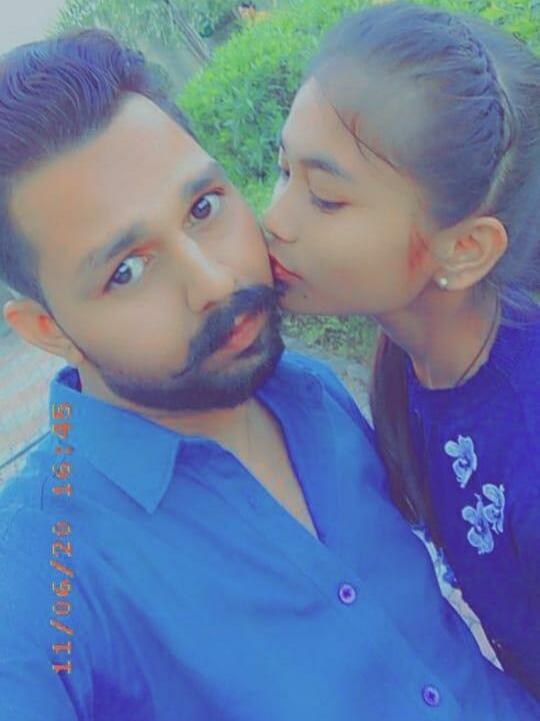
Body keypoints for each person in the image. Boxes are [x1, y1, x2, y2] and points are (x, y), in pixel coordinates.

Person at [0, 30, 538, 721]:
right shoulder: (45, 568)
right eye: (126, 271)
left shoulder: (312, 392)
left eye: (203, 208)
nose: (215, 281)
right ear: (47, 329)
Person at [263, 1, 540, 700]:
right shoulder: (410, 356)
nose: (274, 219)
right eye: (283, 169)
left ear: (465, 248)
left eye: (326, 198)